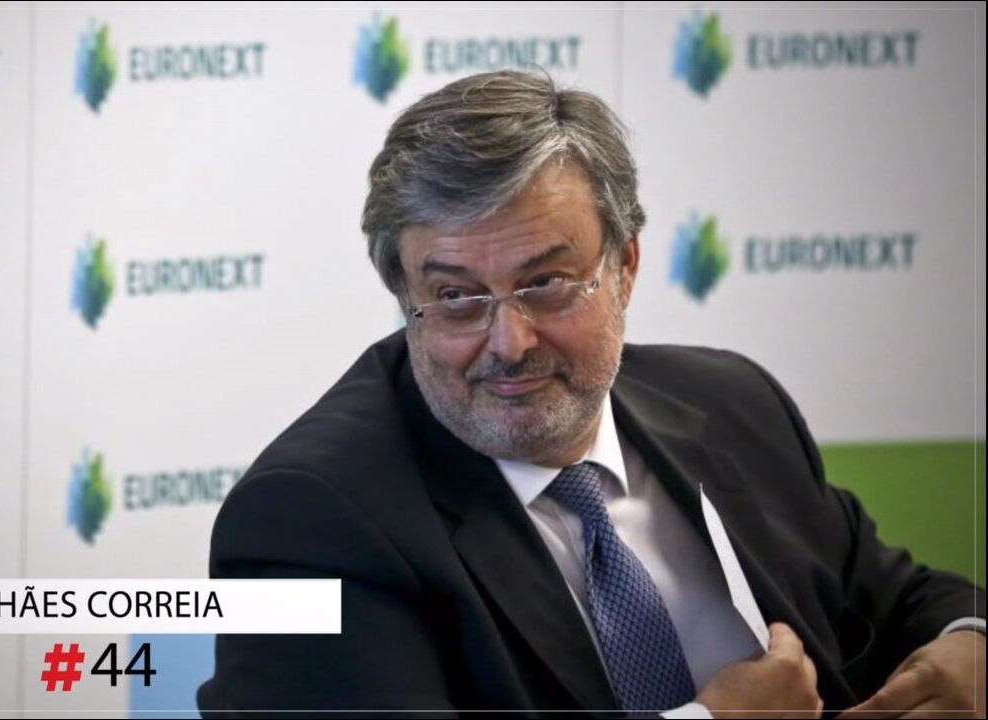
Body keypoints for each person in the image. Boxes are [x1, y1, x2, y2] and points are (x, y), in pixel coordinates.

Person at [197, 70, 985, 717]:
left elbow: (897, 597)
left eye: (545, 282)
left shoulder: (733, 404)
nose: (509, 342)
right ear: (406, 297)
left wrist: (971, 641)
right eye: (457, 297)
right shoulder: (308, 521)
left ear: (625, 267)